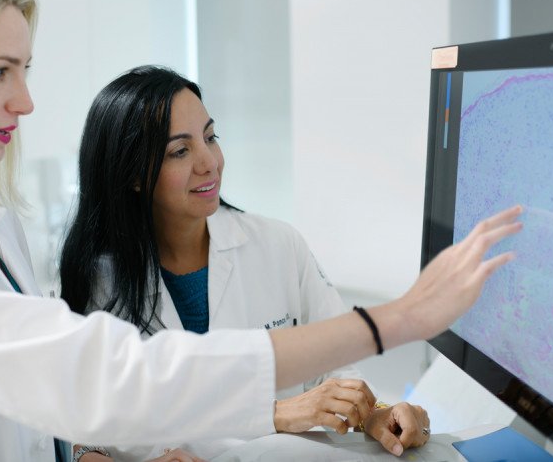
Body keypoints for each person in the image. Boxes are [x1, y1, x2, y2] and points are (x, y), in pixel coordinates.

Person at [0, 0, 521, 462]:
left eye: (24, 69)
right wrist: (396, 319)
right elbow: (98, 377)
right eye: (0, 71)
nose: (26, 100)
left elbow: (40, 409)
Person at [59, 66, 431, 461]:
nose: (210, 162)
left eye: (210, 137)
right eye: (180, 151)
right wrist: (275, 414)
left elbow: (339, 370)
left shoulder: (277, 246)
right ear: (132, 175)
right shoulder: (99, 281)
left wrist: (376, 415)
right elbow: (83, 435)